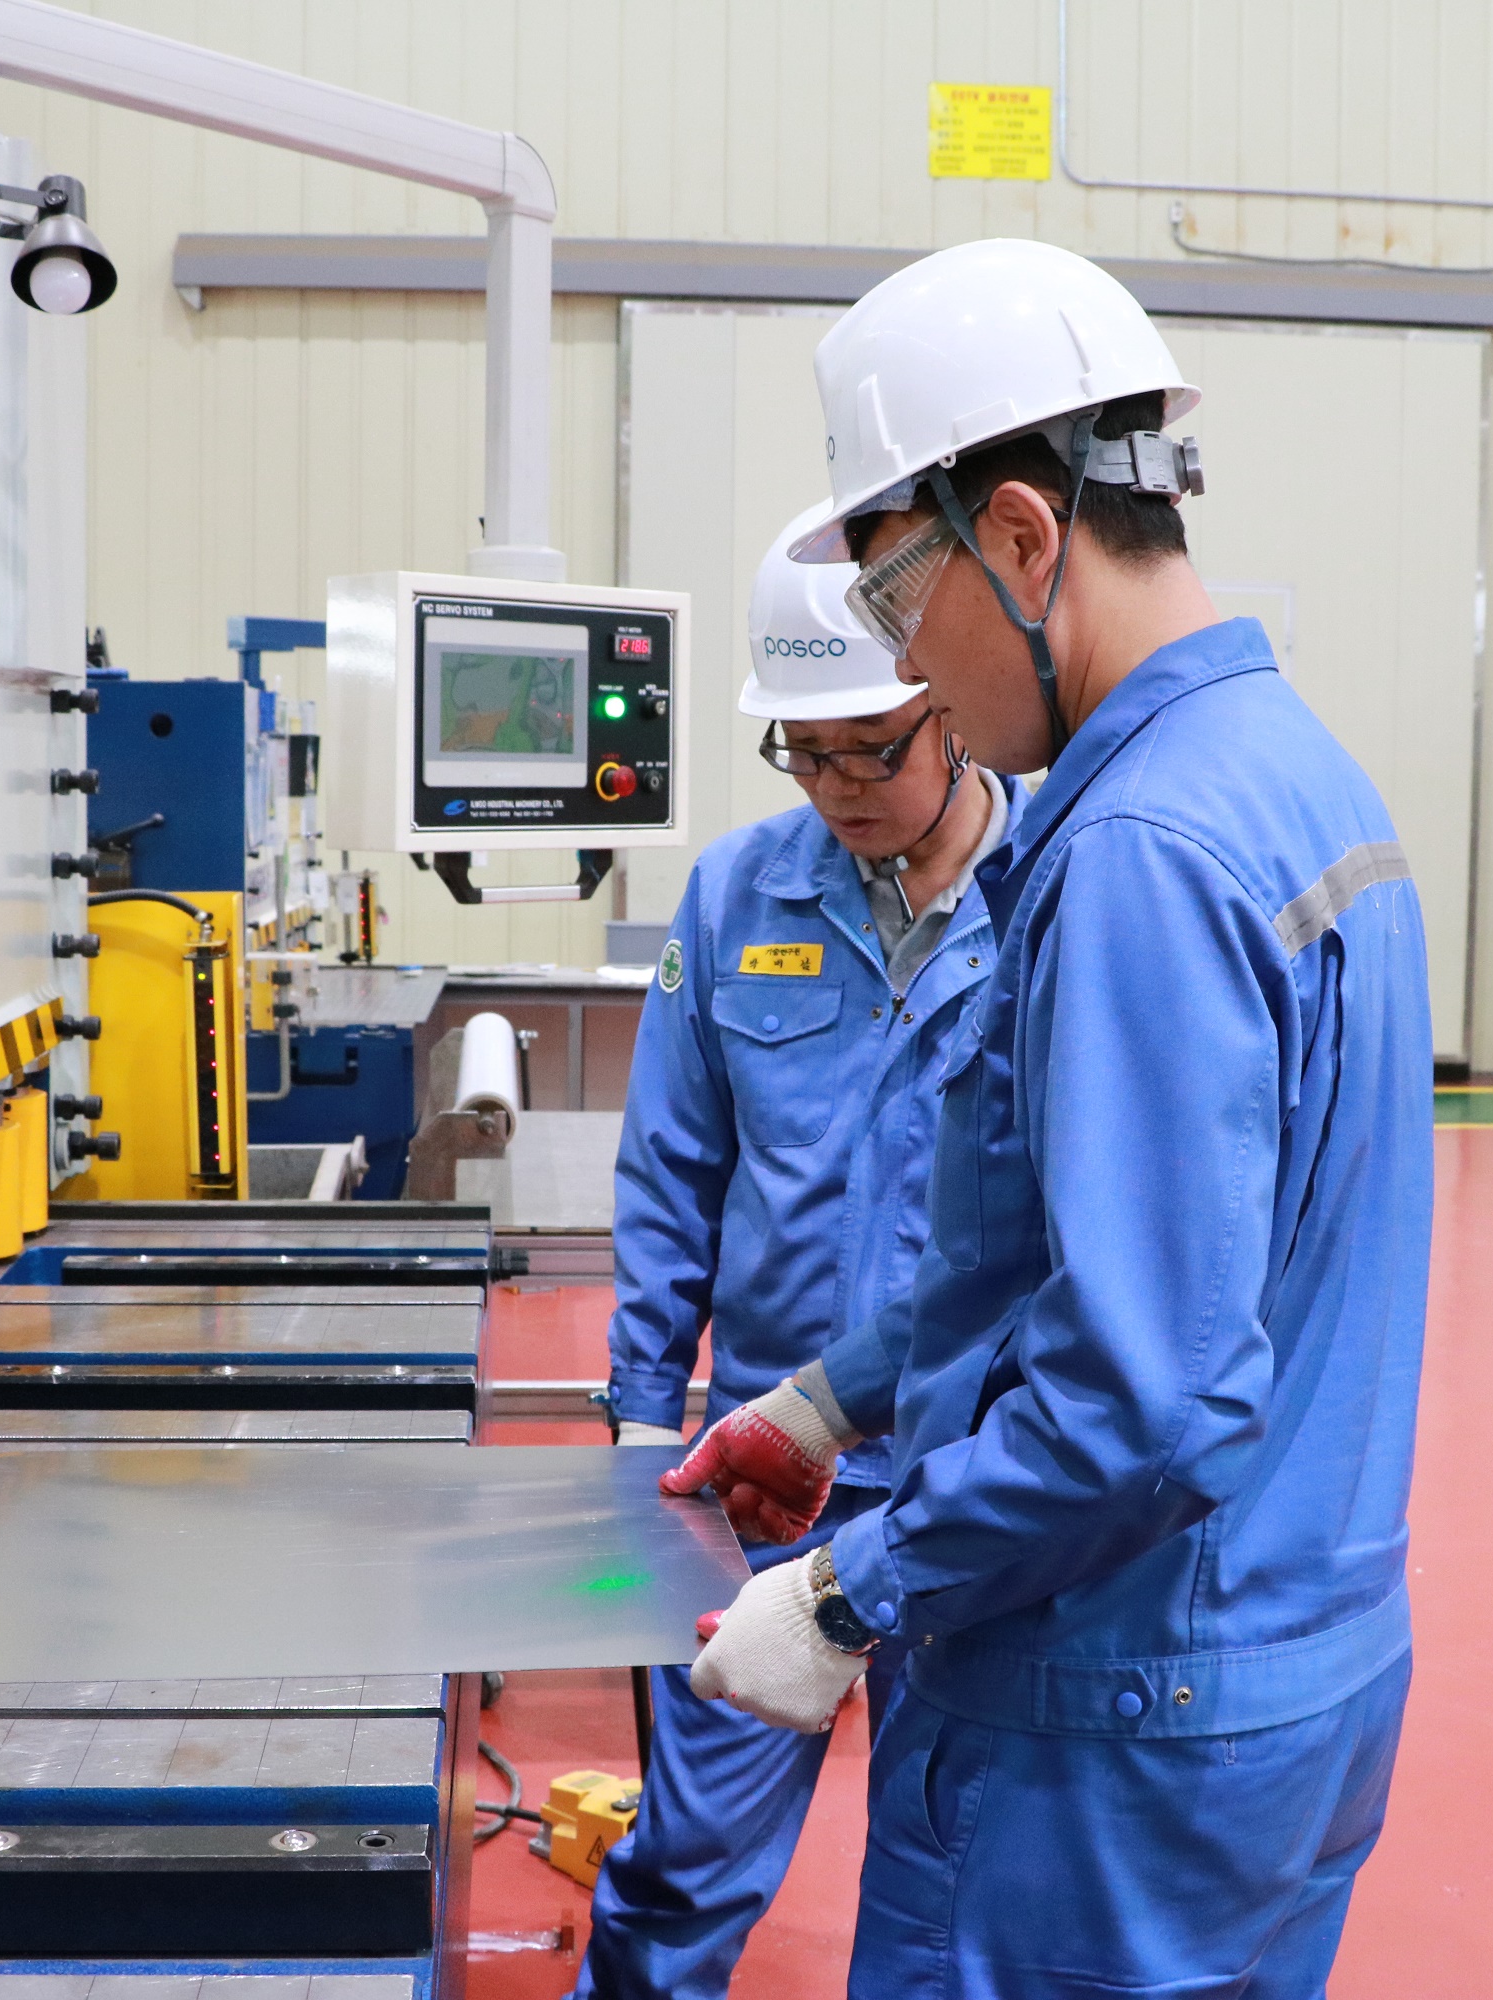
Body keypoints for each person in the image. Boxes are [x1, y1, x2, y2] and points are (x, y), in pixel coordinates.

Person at [672, 239, 1434, 1998]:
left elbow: (1144, 1404)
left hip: (1110, 1719)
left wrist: (854, 1591)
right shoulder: (1298, 774)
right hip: (1289, 1677)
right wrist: (831, 1397)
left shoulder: (1136, 853)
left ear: (1020, 537)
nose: (911, 681)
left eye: (890, 608)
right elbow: (1114, 1246)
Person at [575, 504, 1022, 2000]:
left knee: (955, 1865)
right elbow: (674, 1164)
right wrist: (645, 1412)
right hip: (772, 1467)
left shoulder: (1060, 905)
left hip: (978, 1485)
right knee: (690, 1856)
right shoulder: (737, 895)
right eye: (804, 753)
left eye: (871, 750)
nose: (838, 789)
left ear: (950, 712)